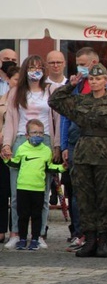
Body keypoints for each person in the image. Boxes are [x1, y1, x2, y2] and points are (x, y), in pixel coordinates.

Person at [48, 63, 107, 258]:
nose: (94, 82)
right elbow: (54, 101)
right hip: (83, 154)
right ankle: (89, 239)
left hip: (105, 155)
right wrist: (71, 84)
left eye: (98, 79)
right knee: (84, 198)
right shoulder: (81, 101)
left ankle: (103, 240)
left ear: (106, 81)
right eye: (91, 79)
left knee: (103, 198)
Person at [2, 55, 61, 250]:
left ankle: (39, 233)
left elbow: (58, 120)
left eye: (38, 67)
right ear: (25, 69)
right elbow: (10, 119)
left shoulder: (50, 90)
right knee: (17, 192)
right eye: (31, 67)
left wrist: (57, 146)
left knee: (42, 192)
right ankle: (16, 233)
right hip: (21, 140)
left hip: (44, 140)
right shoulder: (16, 92)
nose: (35, 70)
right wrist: (7, 144)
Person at [5, 119, 64, 250]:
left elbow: (50, 167)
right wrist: (6, 160)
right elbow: (15, 164)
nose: (37, 135)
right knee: (23, 215)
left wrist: (62, 168)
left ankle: (36, 239)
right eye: (34, 132)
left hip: (38, 188)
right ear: (27, 135)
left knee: (37, 215)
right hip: (23, 187)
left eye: (40, 133)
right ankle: (22, 238)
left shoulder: (46, 151)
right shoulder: (21, 148)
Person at [0, 65, 19, 244]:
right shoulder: (2, 100)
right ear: (9, 81)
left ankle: (16, 229)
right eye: (15, 79)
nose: (18, 83)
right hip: (3, 149)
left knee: (17, 192)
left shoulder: (27, 100)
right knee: (2, 191)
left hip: (19, 148)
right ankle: (1, 229)